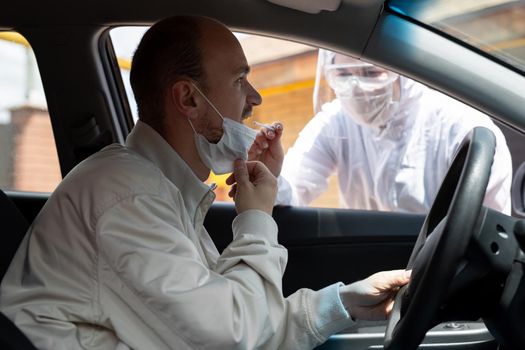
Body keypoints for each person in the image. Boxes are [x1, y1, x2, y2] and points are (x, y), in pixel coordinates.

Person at [0, 16, 410, 350]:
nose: (255, 99)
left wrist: (343, 303)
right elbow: (231, 338)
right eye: (239, 80)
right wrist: (255, 217)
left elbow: (238, 318)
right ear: (190, 99)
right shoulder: (126, 196)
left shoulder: (163, 190)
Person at [278, 50, 512, 214]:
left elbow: (485, 224)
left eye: (370, 73)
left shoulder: (458, 125)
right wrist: (267, 175)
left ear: (401, 71)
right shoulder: (335, 122)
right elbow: (292, 185)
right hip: (368, 272)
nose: (355, 87)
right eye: (343, 74)